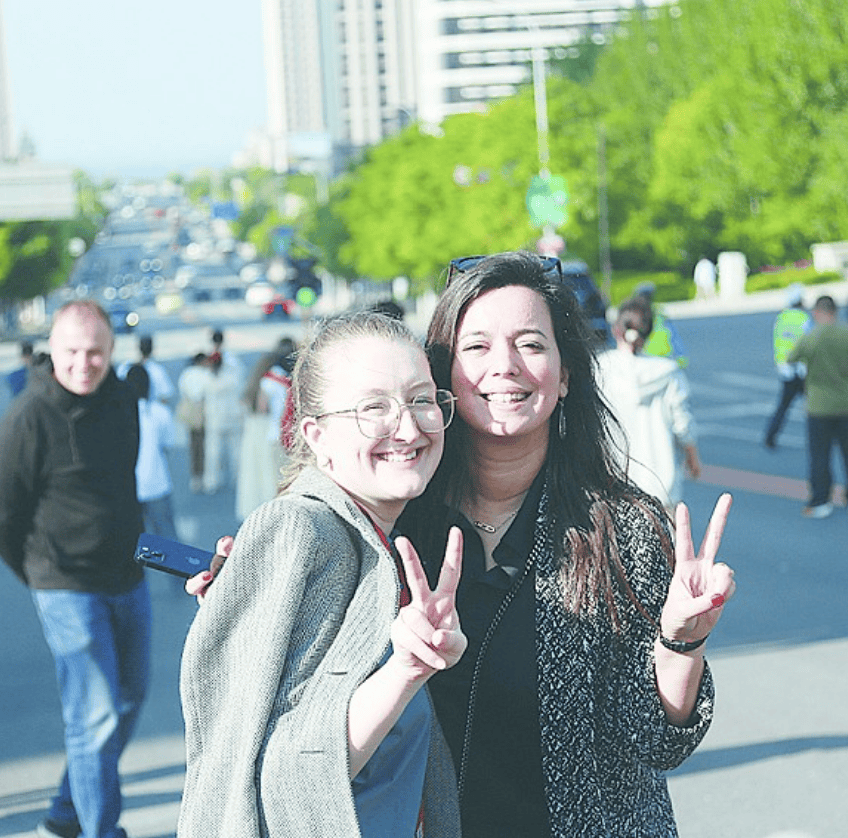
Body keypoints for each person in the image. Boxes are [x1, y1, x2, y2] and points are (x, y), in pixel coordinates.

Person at [193, 253, 738, 836]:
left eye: (531, 344)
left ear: (566, 372)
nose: (504, 367)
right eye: (476, 348)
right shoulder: (392, 523)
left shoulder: (623, 527)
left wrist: (681, 642)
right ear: (442, 377)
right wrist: (259, 596)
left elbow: (657, 742)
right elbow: (297, 743)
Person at [179, 311, 465, 837]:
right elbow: (283, 775)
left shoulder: (379, 536)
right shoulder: (302, 532)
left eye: (422, 399)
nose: (408, 426)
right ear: (317, 434)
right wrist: (405, 670)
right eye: (373, 407)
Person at [0, 301, 149, 838]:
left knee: (127, 701)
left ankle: (65, 809)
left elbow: (126, 481)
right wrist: (38, 573)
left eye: (95, 352)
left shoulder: (123, 399)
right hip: (65, 585)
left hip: (127, 577)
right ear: (52, 351)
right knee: (94, 715)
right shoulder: (26, 418)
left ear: (111, 351)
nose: (84, 363)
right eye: (72, 352)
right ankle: (102, 830)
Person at [596, 296, 701, 513]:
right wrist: (692, 457)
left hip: (615, 485)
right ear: (649, 333)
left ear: (617, 329)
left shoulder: (600, 369)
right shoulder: (667, 372)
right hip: (661, 486)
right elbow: (682, 422)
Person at [788, 295, 848, 518]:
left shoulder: (811, 338)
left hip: (819, 406)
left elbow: (791, 357)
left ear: (817, 312)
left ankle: (821, 499)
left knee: (820, 456)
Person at [234, 337, 295, 521]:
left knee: (267, 477)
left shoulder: (268, 380)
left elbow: (262, 407)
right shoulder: (286, 380)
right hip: (284, 435)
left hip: (269, 435)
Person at [125, 363, 179, 543]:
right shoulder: (160, 413)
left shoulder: (120, 414)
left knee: (132, 542)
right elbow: (168, 444)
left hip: (129, 488)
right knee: (167, 540)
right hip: (157, 483)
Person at [763, 285, 812, 449]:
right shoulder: (803, 318)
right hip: (802, 370)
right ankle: (821, 436)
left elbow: (778, 341)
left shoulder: (781, 318)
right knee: (814, 406)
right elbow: (809, 342)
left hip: (786, 369)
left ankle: (770, 436)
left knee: (783, 406)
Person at [203, 330, 244, 494]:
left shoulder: (208, 370)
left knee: (213, 451)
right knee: (236, 450)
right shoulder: (233, 362)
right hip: (233, 413)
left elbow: (200, 390)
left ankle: (212, 481)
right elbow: (240, 383)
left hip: (215, 416)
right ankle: (238, 478)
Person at [176, 353, 211, 494]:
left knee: (193, 444)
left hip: (189, 408)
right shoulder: (206, 374)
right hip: (203, 409)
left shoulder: (186, 373)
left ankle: (195, 476)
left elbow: (182, 390)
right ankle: (203, 474)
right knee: (204, 444)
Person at [634, 282, 689, 368]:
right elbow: (674, 336)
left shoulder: (634, 315)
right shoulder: (659, 313)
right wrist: (681, 356)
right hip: (664, 355)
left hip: (645, 356)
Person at [117, 334, 174, 406]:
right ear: (152, 349)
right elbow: (164, 397)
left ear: (139, 348)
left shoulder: (124, 367)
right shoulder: (157, 370)